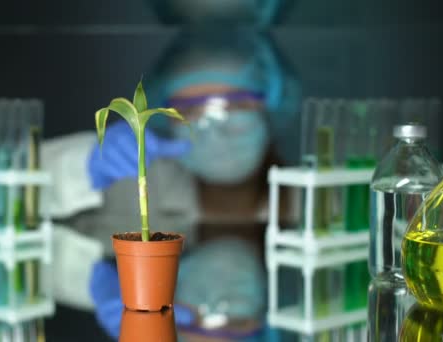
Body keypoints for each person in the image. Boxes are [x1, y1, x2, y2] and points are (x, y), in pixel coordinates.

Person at [43, 29, 300, 340]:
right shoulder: (128, 185)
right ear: (167, 120)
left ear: (273, 108)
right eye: (190, 111)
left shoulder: (321, 206)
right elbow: (2, 189)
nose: (214, 128)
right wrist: (82, 165)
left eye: (235, 106)